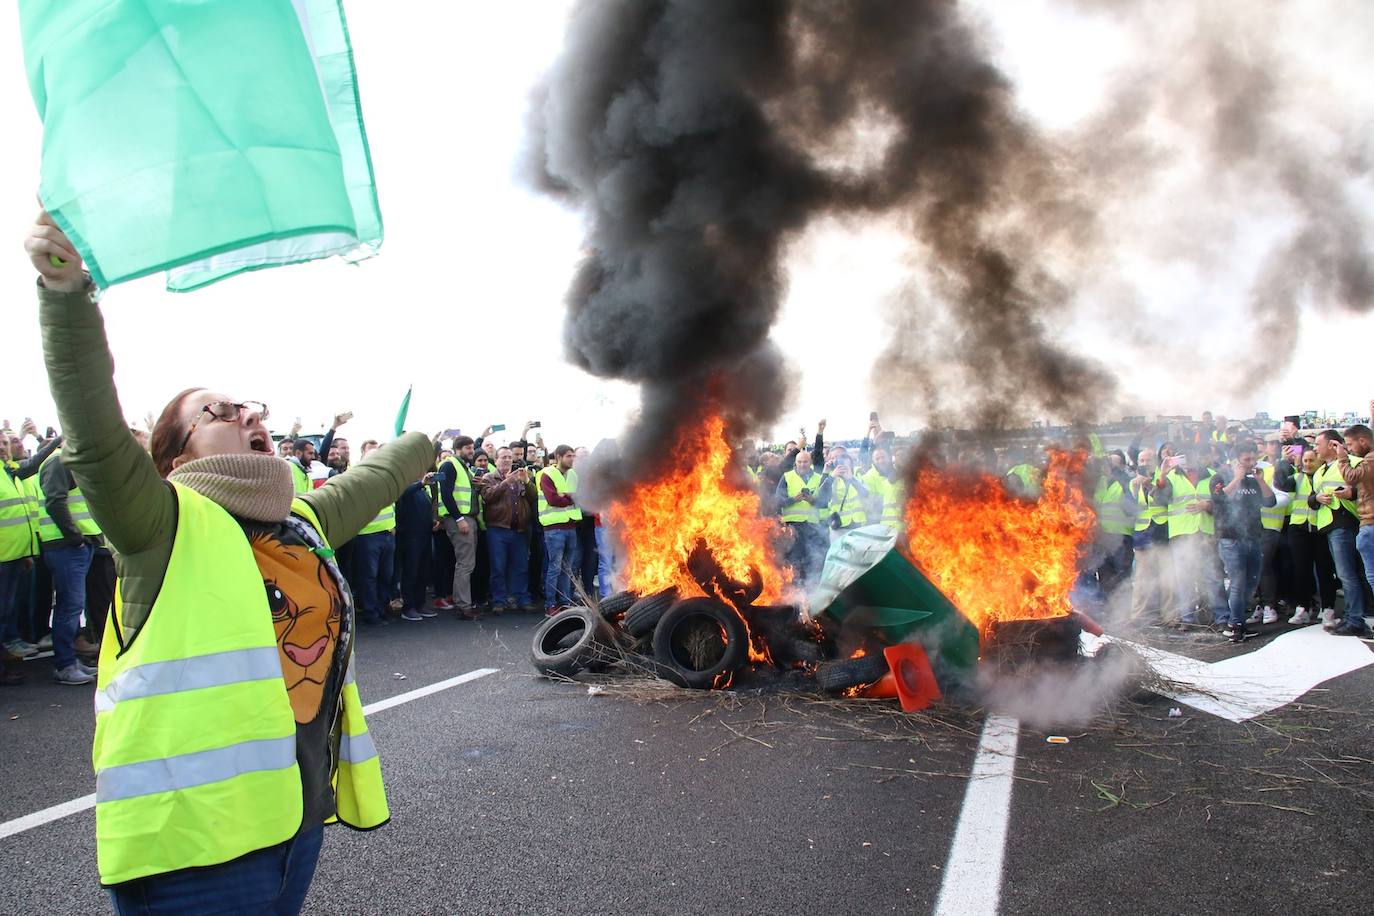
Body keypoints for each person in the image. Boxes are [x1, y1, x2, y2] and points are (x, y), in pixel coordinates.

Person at [27, 212, 432, 912]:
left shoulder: (299, 520)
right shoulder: (157, 524)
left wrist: (424, 441)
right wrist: (66, 299)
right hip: (193, 848)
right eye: (220, 408)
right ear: (176, 457)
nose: (247, 413)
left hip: (293, 824)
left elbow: (373, 479)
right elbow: (93, 437)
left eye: (251, 406)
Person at [36, 445, 103, 684]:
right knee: (69, 606)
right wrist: (75, 536)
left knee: (73, 606)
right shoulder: (58, 462)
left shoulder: (72, 460)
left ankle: (71, 661)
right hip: (66, 546)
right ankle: (65, 665)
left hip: (76, 545)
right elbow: (55, 502)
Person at [1153, 444, 1228, 628]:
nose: (1185, 461)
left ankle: (1221, 617)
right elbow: (1160, 500)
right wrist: (1162, 474)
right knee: (1184, 578)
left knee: (1212, 577)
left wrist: (1208, 506)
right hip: (1181, 534)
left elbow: (1223, 503)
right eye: (1181, 457)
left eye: (1188, 456)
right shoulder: (1170, 477)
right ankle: (1188, 619)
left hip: (1205, 532)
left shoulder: (1212, 475)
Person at [1210, 442, 1275, 642]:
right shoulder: (1219, 477)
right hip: (1231, 539)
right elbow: (1219, 499)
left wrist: (1261, 481)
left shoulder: (1254, 481)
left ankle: (1234, 621)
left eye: (1253, 459)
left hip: (1253, 538)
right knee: (1238, 582)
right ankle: (1236, 624)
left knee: (1251, 582)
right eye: (1247, 460)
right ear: (1235, 460)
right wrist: (1237, 478)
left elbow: (1269, 502)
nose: (1251, 463)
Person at [1312, 430, 1371, 638]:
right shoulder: (1320, 470)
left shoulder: (1354, 461)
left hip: (1346, 524)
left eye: (1318, 444)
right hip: (1330, 526)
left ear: (1331, 445)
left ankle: (1355, 619)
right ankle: (1355, 616)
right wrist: (1316, 498)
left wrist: (1350, 493)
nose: (1315, 448)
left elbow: (1365, 487)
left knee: (1349, 575)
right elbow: (1312, 497)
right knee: (1349, 574)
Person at [478, 447, 538, 612]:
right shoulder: (489, 477)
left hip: (519, 530)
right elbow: (488, 497)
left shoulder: (521, 476)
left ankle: (522, 599)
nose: (507, 460)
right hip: (498, 529)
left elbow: (533, 497)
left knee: (521, 566)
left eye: (509, 457)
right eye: (503, 457)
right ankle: (499, 601)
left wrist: (526, 481)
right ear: (495, 460)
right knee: (498, 567)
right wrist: (506, 482)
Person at [1286, 446, 1337, 625]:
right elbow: (1280, 483)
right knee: (1301, 570)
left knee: (1324, 569)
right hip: (1298, 528)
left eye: (1311, 460)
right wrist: (1288, 462)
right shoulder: (1296, 477)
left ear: (1319, 460)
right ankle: (1303, 608)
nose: (1308, 464)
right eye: (1305, 460)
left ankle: (1328, 609)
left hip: (1320, 528)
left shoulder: (1323, 476)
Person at [351, 441, 396, 627]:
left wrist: (394, 526)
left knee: (385, 576)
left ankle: (381, 608)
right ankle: (371, 613)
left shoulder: (385, 478)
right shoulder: (357, 479)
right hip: (368, 536)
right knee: (370, 577)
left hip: (387, 534)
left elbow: (392, 505)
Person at [436, 435, 480, 617]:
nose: (472, 451)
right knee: (465, 563)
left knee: (466, 563)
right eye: (468, 448)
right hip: (459, 520)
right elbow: (446, 494)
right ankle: (464, 606)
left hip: (466, 518)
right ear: (458, 449)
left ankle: (463, 602)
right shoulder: (449, 464)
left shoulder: (463, 466)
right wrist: (459, 518)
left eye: (472, 447)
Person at [1338, 423, 1374, 634]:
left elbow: (1351, 476)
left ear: (1363, 441)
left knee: (1372, 576)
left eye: (1350, 445)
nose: (1349, 449)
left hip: (1370, 523)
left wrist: (1342, 457)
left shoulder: (1370, 458)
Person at [1129, 447, 1171, 624]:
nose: (1145, 464)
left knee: (1168, 577)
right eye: (1142, 461)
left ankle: (1170, 615)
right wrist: (1138, 486)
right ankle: (1139, 615)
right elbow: (1132, 507)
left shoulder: (1164, 479)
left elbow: (1164, 498)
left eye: (1148, 460)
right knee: (1142, 579)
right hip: (1143, 536)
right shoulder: (1133, 483)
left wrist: (1149, 485)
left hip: (1162, 532)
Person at [538, 445, 581, 612]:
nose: (572, 459)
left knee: (567, 568)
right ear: (559, 457)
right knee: (554, 567)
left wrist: (566, 497)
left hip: (571, 526)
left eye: (573, 456)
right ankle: (551, 604)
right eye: (569, 456)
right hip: (554, 528)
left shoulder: (573, 475)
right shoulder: (547, 474)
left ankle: (565, 602)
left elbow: (580, 496)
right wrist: (570, 498)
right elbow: (553, 499)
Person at [775, 449, 827, 588]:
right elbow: (777, 501)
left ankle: (811, 588)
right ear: (795, 462)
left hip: (813, 527)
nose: (802, 464)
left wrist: (813, 500)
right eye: (799, 462)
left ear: (810, 462)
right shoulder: (787, 477)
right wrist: (793, 500)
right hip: (793, 526)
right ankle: (794, 590)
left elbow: (825, 502)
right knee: (794, 559)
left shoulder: (818, 477)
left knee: (813, 558)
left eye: (805, 462)